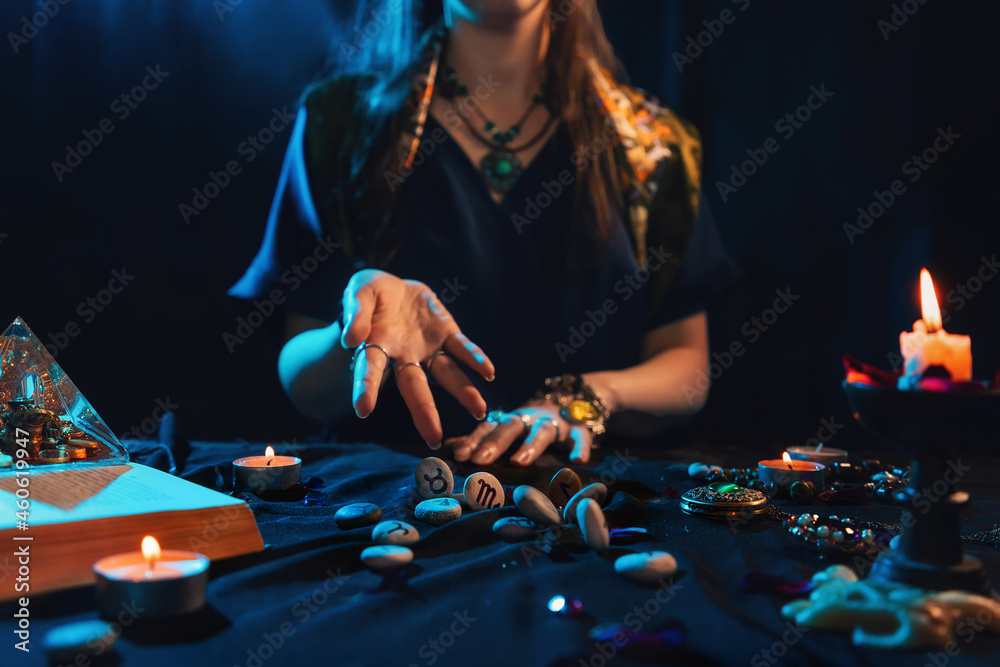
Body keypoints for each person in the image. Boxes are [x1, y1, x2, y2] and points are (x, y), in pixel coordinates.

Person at [230, 0, 738, 467]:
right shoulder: (339, 125)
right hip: (390, 511)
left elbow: (687, 369)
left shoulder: (655, 146)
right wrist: (360, 334)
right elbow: (300, 380)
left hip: (594, 518)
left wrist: (585, 397)